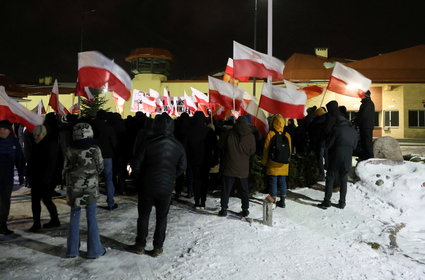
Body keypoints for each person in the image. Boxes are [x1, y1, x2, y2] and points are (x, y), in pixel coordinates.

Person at [129, 113, 186, 257]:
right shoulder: (178, 145)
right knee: (162, 218)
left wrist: (140, 178)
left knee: (143, 216)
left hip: (147, 184)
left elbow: (135, 164)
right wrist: (172, 177)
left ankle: (140, 244)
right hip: (166, 186)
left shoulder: (148, 143)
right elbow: (182, 166)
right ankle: (157, 247)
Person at [64, 122, 106, 258]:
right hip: (91, 188)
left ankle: (72, 250)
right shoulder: (95, 149)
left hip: (74, 188)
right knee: (91, 217)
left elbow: (66, 167)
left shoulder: (70, 149)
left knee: (74, 217)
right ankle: (94, 250)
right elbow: (100, 167)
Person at [27, 117, 61, 232]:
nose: (35, 138)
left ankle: (54, 220)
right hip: (38, 177)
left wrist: (47, 179)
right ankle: (38, 223)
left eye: (37, 136)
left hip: (45, 179)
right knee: (37, 200)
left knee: (45, 199)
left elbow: (51, 164)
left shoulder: (49, 145)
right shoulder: (42, 143)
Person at [218, 116, 256, 217]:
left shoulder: (229, 133)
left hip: (229, 166)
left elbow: (220, 145)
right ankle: (245, 210)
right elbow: (252, 151)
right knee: (244, 191)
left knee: (226, 190)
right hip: (243, 169)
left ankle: (224, 209)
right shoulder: (250, 136)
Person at [318, 114, 358, 209]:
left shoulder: (336, 130)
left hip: (335, 157)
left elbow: (329, 144)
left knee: (330, 177)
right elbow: (355, 146)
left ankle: (327, 201)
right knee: (344, 180)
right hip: (347, 159)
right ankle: (342, 203)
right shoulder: (353, 131)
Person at [262, 115, 292, 208]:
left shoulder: (271, 134)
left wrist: (264, 161)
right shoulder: (287, 135)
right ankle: (283, 200)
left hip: (273, 162)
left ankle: (273, 200)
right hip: (284, 163)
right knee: (283, 181)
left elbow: (266, 149)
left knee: (273, 181)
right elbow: (289, 150)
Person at [0, 120, 24, 235]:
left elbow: (20, 159)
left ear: (10, 130)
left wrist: (21, 174)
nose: (2, 130)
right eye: (0, 128)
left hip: (7, 179)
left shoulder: (14, 142)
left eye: (5, 128)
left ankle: (2, 225)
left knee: (5, 203)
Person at [93, 110, 118, 210]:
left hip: (93, 155)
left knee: (93, 179)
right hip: (107, 156)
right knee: (108, 179)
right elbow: (114, 143)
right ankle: (110, 203)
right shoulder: (108, 128)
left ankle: (91, 203)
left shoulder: (92, 127)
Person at [354, 90, 375, 161]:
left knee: (367, 143)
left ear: (365, 95)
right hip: (365, 126)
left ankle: (369, 160)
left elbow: (363, 116)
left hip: (366, 127)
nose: (360, 95)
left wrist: (357, 122)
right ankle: (365, 158)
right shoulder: (366, 103)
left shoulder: (368, 104)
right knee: (364, 143)